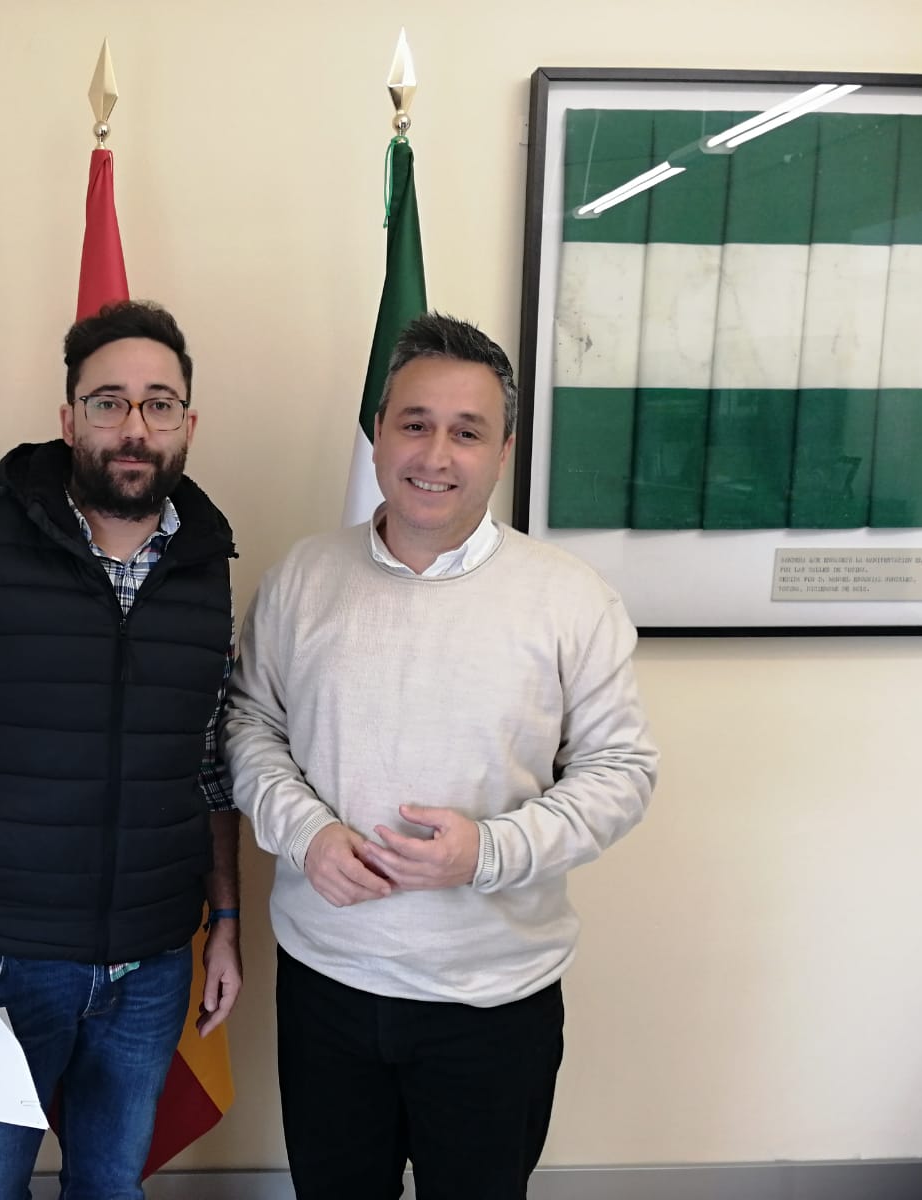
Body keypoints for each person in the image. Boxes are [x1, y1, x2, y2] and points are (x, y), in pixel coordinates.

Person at [224, 312, 657, 1200]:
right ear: (379, 432)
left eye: (467, 432)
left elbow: (621, 772)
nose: (435, 454)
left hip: (493, 1001)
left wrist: (487, 851)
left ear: (503, 452)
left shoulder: (572, 600)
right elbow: (246, 725)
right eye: (415, 423)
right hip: (327, 985)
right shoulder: (301, 578)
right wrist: (306, 834)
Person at [0, 300, 243, 1200]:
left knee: (113, 1187)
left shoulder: (207, 570)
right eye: (108, 402)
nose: (134, 427)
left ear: (187, 424)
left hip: (151, 959)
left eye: (159, 404)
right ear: (69, 420)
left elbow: (209, 770)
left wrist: (226, 919)